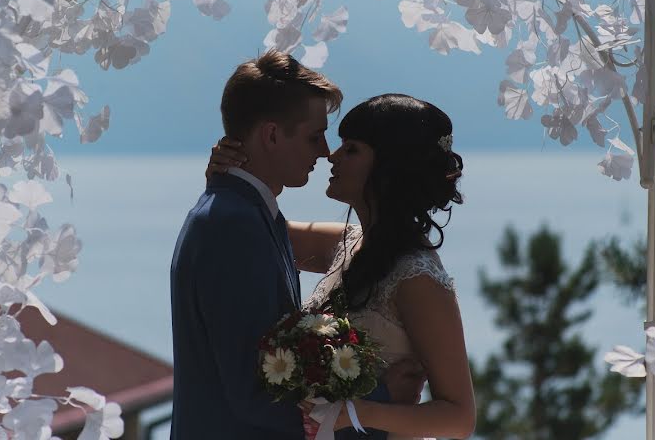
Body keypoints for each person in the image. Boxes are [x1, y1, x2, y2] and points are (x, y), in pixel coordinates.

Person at [171, 53, 424, 440]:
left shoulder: (244, 214)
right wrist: (381, 400)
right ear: (272, 135)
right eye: (314, 135)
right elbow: (255, 396)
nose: (324, 151)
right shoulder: (233, 224)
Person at [208, 93, 476, 440]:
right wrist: (225, 179)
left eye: (351, 149)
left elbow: (459, 418)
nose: (331, 157)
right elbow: (252, 231)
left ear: (388, 166)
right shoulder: (346, 243)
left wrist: (358, 411)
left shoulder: (418, 278)